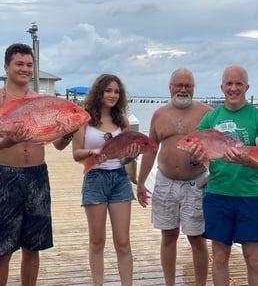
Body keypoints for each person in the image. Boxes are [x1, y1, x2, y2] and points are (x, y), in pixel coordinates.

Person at [0, 43, 73, 286]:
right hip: (5, 176)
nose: (25, 69)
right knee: (3, 248)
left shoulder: (42, 102)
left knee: (34, 245)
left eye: (29, 65)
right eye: (19, 64)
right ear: (6, 66)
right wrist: (8, 141)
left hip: (37, 177)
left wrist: (69, 132)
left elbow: (59, 145)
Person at [137, 68, 212, 286]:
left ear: (194, 89)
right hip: (165, 182)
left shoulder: (206, 113)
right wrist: (141, 182)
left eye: (188, 85)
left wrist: (212, 174)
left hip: (196, 184)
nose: (183, 89)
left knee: (197, 238)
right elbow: (150, 149)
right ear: (170, 87)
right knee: (168, 236)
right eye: (178, 85)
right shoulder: (159, 114)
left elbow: (216, 147)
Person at [188, 65, 258, 286]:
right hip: (218, 194)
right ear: (222, 87)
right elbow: (196, 152)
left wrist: (247, 160)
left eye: (238, 84)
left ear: (247, 87)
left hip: (251, 195)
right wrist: (196, 156)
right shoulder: (211, 118)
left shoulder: (256, 116)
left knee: (254, 259)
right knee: (219, 258)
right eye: (229, 83)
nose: (233, 88)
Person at [72, 73, 140, 286]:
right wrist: (94, 151)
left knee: (123, 241)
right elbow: (76, 154)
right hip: (94, 178)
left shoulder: (123, 122)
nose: (112, 95)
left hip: (119, 178)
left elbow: (124, 159)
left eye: (116, 91)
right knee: (97, 241)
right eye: (108, 90)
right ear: (99, 92)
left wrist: (131, 155)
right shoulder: (84, 120)